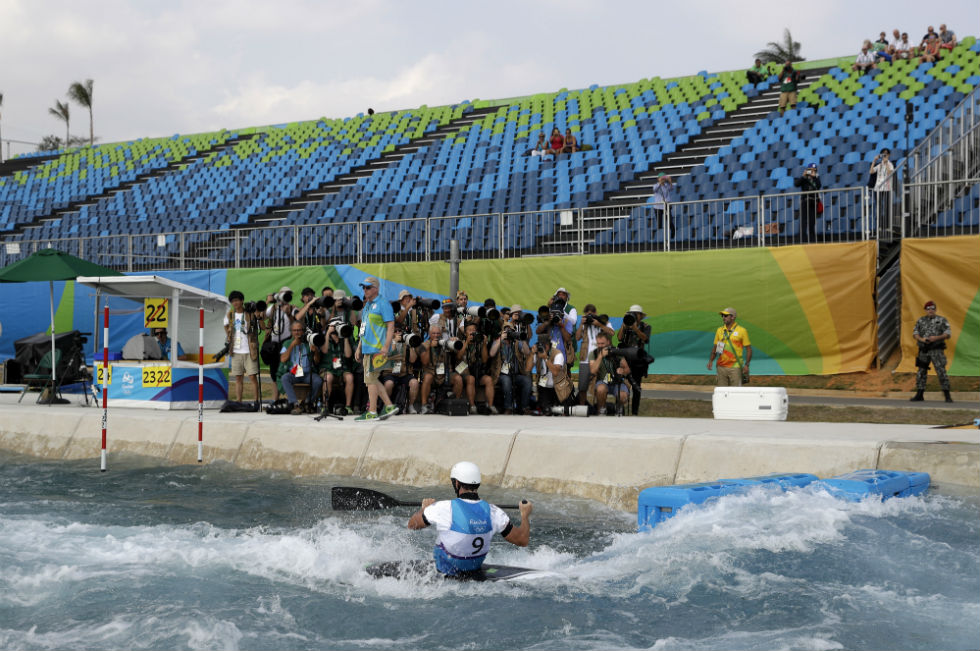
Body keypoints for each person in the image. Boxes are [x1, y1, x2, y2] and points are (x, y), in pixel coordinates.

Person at [407, 461, 532, 577]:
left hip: (444, 572)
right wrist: (525, 515)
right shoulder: (494, 512)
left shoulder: (444, 507)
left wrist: (425, 509)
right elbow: (522, 540)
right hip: (473, 572)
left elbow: (412, 524)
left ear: (456, 483)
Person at [354, 276, 399, 421]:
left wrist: (386, 346)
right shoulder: (367, 305)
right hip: (367, 349)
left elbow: (391, 326)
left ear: (376, 288)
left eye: (368, 287)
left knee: (371, 380)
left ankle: (372, 411)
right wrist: (359, 347)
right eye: (363, 287)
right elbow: (363, 327)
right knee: (371, 380)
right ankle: (389, 406)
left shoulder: (383, 304)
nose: (365, 290)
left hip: (377, 349)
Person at [493, 306, 534, 414]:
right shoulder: (498, 341)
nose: (508, 332)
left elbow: (527, 352)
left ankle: (524, 407)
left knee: (527, 381)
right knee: (507, 382)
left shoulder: (516, 342)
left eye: (510, 331)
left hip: (515, 373)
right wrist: (500, 339)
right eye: (506, 330)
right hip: (502, 374)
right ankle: (508, 407)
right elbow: (491, 353)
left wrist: (522, 339)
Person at [910, 300, 953, 403]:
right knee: (921, 372)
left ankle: (947, 395)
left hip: (936, 350)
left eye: (933, 308)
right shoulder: (921, 321)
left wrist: (936, 338)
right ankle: (919, 394)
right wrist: (922, 339)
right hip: (924, 350)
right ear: (925, 310)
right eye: (928, 308)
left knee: (941, 371)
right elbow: (915, 333)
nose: (930, 310)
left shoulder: (941, 320)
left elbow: (947, 333)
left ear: (935, 309)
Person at [278, 321, 322, 414]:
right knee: (285, 378)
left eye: (299, 330)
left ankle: (307, 402)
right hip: (294, 373)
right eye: (294, 330)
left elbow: (317, 361)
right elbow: (283, 359)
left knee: (318, 381)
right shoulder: (287, 343)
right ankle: (295, 404)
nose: (297, 332)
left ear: (303, 331)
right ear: (291, 332)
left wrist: (315, 351)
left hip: (307, 373)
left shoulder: (308, 342)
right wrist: (292, 345)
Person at [223, 290, 259, 404]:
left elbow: (257, 326)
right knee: (238, 377)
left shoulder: (249, 313)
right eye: (233, 301)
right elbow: (225, 324)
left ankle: (256, 401)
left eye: (237, 300)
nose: (235, 303)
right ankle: (239, 401)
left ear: (242, 301)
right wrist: (228, 335)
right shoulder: (230, 314)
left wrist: (254, 314)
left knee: (252, 376)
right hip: (235, 351)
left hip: (249, 350)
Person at [616, 304, 652, 416]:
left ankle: (634, 412)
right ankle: (620, 409)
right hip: (626, 359)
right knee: (622, 384)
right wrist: (624, 325)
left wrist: (635, 329)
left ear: (641, 316)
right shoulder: (626, 325)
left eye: (636, 314)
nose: (635, 316)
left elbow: (645, 339)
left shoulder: (646, 326)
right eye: (633, 314)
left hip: (638, 360)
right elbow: (619, 338)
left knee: (636, 387)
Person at [575, 304, 615, 406]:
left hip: (600, 359)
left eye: (592, 313)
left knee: (599, 386)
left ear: (596, 313)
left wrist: (599, 324)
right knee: (582, 387)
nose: (590, 316)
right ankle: (582, 407)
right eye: (587, 314)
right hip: (585, 359)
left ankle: (599, 407)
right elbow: (577, 337)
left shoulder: (603, 321)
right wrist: (581, 324)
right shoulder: (584, 324)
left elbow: (612, 333)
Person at [420, 324, 463, 414]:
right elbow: (424, 362)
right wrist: (430, 347)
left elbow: (458, 352)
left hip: (445, 374)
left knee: (458, 379)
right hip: (431, 372)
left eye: (438, 333)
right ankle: (424, 405)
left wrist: (455, 341)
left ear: (441, 334)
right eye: (433, 333)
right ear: (429, 333)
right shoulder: (424, 345)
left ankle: (455, 404)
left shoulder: (445, 343)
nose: (436, 335)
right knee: (427, 377)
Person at [263, 286, 295, 403]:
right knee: (274, 372)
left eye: (288, 294)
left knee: (286, 370)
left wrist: (289, 313)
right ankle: (275, 399)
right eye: (284, 294)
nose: (285, 296)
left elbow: (295, 324)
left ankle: (290, 399)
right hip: (274, 343)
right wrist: (267, 302)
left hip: (286, 342)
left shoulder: (292, 308)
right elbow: (262, 316)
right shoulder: (273, 308)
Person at [589, 332, 632, 416]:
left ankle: (619, 407)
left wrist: (622, 371)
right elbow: (593, 371)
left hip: (617, 382)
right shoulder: (594, 353)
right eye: (598, 343)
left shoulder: (616, 352)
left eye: (602, 343)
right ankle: (602, 409)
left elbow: (627, 369)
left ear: (608, 342)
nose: (600, 346)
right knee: (601, 389)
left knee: (623, 396)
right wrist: (600, 356)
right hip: (602, 381)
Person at [707, 307, 751, 386]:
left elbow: (749, 350)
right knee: (722, 391)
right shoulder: (720, 330)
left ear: (733, 317)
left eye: (726, 315)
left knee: (735, 392)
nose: (723, 317)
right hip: (721, 367)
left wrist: (747, 365)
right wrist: (711, 361)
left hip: (735, 367)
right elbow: (716, 348)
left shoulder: (742, 331)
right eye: (722, 316)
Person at [319, 317, 355, 415]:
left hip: (342, 368)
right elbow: (324, 350)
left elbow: (348, 355)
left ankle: (348, 406)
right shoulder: (325, 338)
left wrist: (345, 335)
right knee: (328, 378)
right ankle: (325, 406)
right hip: (328, 368)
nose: (336, 328)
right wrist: (328, 333)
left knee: (350, 377)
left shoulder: (345, 338)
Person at [533, 335, 574, 414]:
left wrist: (546, 358)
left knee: (564, 410)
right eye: (540, 345)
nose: (543, 347)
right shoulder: (537, 353)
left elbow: (555, 372)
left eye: (544, 345)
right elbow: (528, 368)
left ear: (549, 345)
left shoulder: (557, 354)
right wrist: (532, 354)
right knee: (546, 410)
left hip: (559, 388)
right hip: (545, 387)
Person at [794, 162, 822, 243]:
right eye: (810, 170)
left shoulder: (817, 177)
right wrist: (803, 176)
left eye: (814, 170)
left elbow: (819, 186)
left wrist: (815, 177)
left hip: (813, 202)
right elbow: (796, 184)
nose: (812, 171)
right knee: (803, 222)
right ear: (807, 170)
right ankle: (802, 241)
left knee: (812, 223)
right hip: (805, 202)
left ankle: (812, 242)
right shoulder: (805, 177)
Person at [870, 148, 895, 228]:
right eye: (883, 154)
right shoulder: (879, 165)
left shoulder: (890, 164)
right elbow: (871, 171)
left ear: (889, 155)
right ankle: (880, 225)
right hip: (878, 188)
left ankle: (887, 225)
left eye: (886, 153)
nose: (885, 155)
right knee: (879, 207)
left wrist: (886, 162)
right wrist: (874, 161)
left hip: (887, 188)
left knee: (887, 207)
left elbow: (889, 172)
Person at [651, 173, 675, 241]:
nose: (662, 179)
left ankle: (672, 235)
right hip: (658, 207)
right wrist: (660, 183)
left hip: (666, 205)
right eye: (661, 178)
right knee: (659, 224)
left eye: (663, 178)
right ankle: (660, 239)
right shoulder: (656, 185)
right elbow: (654, 189)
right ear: (658, 179)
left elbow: (672, 188)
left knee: (670, 221)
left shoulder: (666, 185)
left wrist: (670, 181)